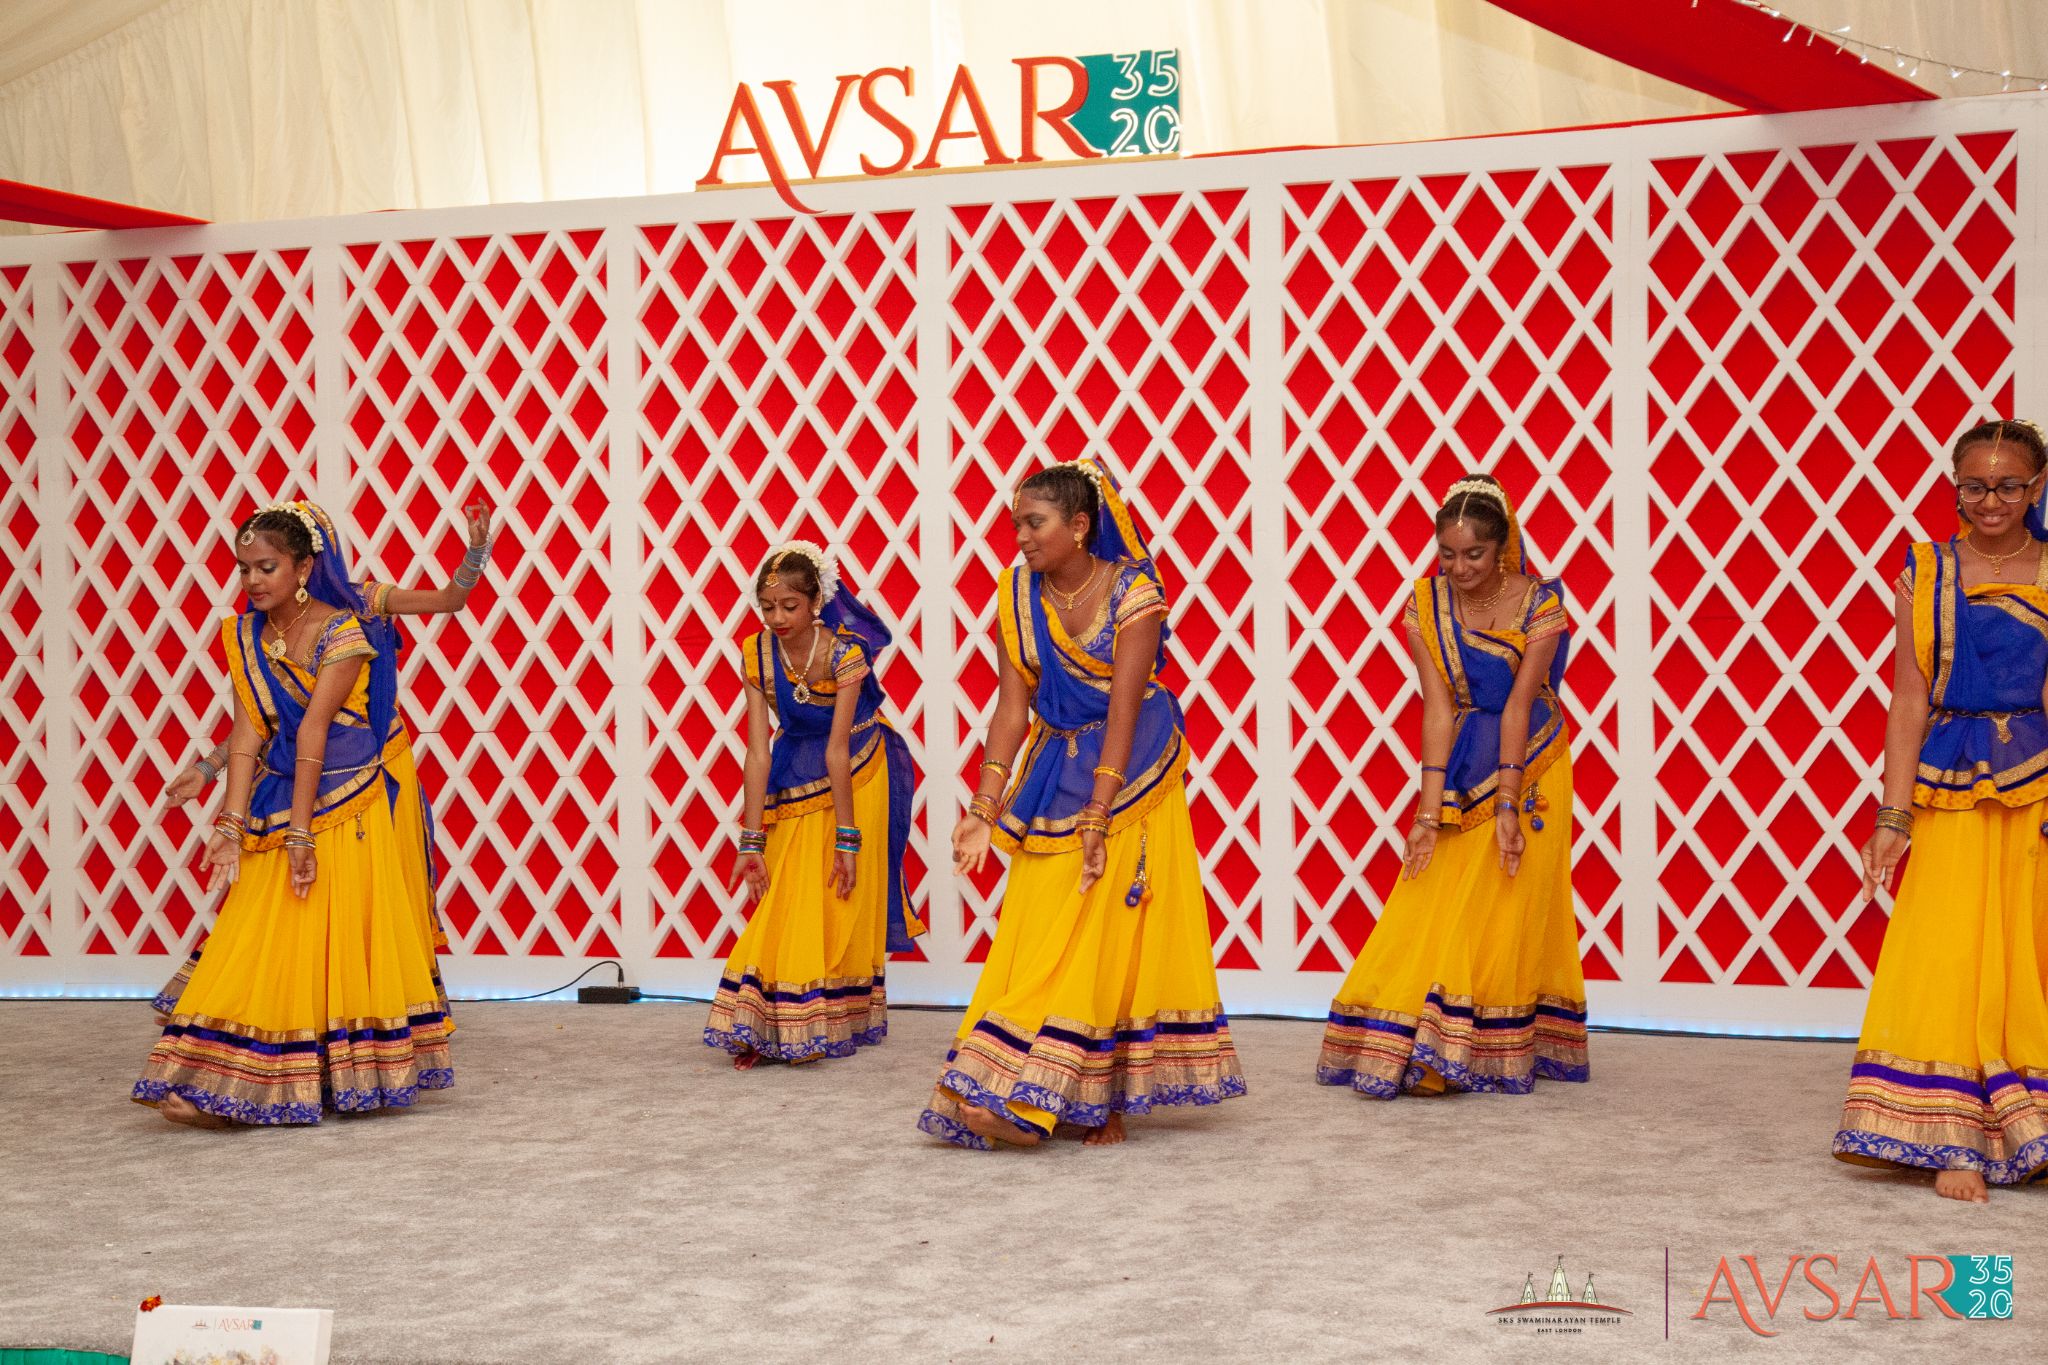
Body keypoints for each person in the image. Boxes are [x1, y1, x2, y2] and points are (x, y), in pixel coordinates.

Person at [919, 459, 1245, 1149]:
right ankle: (1018, 1083)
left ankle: (1093, 1101)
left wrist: (1099, 813)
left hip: (1130, 776)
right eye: (1015, 524)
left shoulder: (1134, 593)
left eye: (1034, 523)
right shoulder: (1016, 593)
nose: (1021, 537)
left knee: (1108, 937)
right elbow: (1012, 706)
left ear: (1078, 524)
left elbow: (1124, 711)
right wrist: (983, 801)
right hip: (1050, 768)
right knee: (1036, 928)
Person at [132, 501, 452, 1125]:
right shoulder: (248, 634)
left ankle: (263, 1091)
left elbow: (311, 733)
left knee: (316, 940)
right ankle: (235, 1079)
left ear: (305, 567)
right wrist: (226, 818)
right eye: (244, 568)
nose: (252, 580)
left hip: (346, 801)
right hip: (283, 800)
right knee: (261, 930)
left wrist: (300, 837)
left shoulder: (345, 630)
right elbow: (250, 730)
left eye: (267, 567)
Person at [1316, 473, 1588, 1099]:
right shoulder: (1424, 604)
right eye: (1447, 553)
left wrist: (1509, 805)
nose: (1459, 567)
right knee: (1438, 894)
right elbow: (1436, 708)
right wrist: (1426, 806)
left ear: (1502, 549)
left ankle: (1475, 1048)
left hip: (1533, 762)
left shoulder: (1540, 604)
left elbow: (1521, 706)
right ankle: (1433, 1038)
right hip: (1460, 755)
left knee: (1503, 899)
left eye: (1473, 554)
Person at [1835, 418, 2048, 1201]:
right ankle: (1952, 1132)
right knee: (1952, 944)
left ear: (2037, 486)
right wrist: (1892, 817)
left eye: (2008, 485)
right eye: (1974, 485)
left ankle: (2025, 1122)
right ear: (1956, 485)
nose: (1990, 500)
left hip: (2035, 782)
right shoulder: (1926, 571)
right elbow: (1909, 696)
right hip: (1952, 780)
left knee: (2027, 943)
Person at [704, 542, 924, 1067]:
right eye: (767, 606)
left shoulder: (845, 653)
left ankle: (814, 1018)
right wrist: (750, 839)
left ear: (816, 602)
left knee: (833, 891)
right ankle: (775, 1017)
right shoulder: (756, 652)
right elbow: (758, 751)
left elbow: (838, 749)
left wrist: (848, 842)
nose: (777, 617)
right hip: (791, 766)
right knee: (784, 891)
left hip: (861, 768)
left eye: (790, 606)